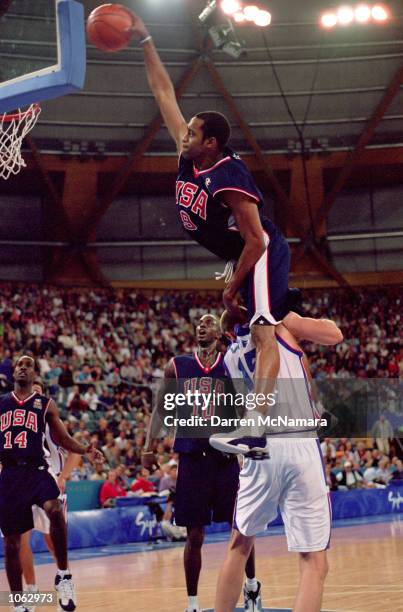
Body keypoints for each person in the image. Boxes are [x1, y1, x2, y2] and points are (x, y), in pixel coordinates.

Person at [127, 10, 322, 454]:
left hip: (261, 250)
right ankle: (266, 412)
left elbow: (256, 240)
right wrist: (144, 39)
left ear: (210, 142)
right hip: (242, 254)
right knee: (265, 327)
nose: (185, 134)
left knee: (262, 331)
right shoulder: (188, 154)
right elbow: (162, 93)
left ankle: (257, 427)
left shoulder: (229, 173)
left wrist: (230, 290)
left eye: (193, 132)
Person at [212, 310, 343, 612]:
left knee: (239, 545)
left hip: (259, 447)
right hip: (299, 440)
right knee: (314, 561)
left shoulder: (231, 356)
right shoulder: (281, 325)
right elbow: (334, 335)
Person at [142, 314, 262, 612]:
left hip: (225, 459)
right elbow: (160, 408)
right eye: (198, 323)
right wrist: (149, 446)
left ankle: (251, 586)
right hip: (193, 459)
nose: (201, 326)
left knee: (241, 527)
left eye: (208, 323)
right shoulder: (178, 365)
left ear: (219, 331)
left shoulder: (231, 363)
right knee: (194, 534)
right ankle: (193, 603)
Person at [0, 355, 102, 612]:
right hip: (10, 475)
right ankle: (20, 602)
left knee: (55, 509)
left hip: (37, 471)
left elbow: (64, 439)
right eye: (19, 365)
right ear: (14, 373)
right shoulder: (1, 404)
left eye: (29, 365)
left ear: (35, 374)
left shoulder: (45, 404)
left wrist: (86, 450)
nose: (23, 368)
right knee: (13, 543)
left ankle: (64, 576)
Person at [19, 378, 81, 610]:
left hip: (49, 483)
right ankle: (31, 592)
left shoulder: (51, 423)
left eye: (37, 393)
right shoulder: (14, 423)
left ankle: (63, 578)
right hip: (21, 484)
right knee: (22, 539)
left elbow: (76, 452)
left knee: (53, 539)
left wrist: (63, 476)